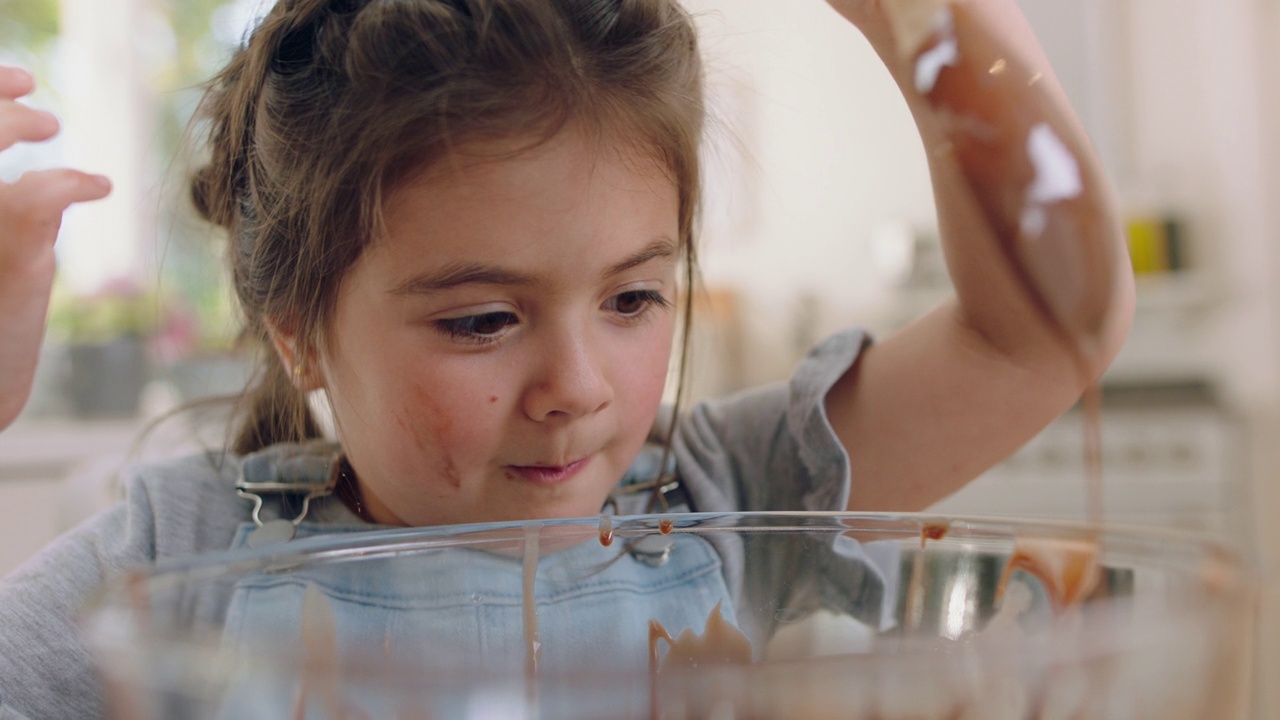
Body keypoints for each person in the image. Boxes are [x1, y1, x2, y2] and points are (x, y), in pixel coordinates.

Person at [0, 0, 1135, 716]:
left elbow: (1034, 335)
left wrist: (938, 22)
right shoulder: (172, 565)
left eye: (634, 297)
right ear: (297, 325)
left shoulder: (728, 497)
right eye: (482, 321)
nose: (579, 389)